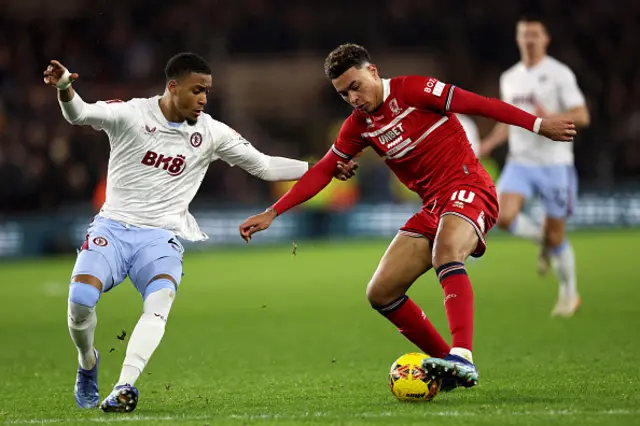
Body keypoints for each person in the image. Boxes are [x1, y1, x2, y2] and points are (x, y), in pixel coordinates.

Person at [238, 43, 576, 390]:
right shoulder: (358, 126)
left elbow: (481, 104)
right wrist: (273, 212)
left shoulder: (415, 89)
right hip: (433, 206)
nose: (352, 98)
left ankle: (463, 355)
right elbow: (324, 169)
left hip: (468, 186)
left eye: (355, 86)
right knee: (381, 292)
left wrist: (538, 125)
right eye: (343, 94)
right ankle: (451, 367)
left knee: (445, 253)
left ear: (372, 71)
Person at [43, 53, 357, 413]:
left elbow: (265, 166)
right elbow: (79, 113)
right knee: (81, 300)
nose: (204, 99)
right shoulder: (131, 114)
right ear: (173, 87)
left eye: (207, 91)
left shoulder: (211, 132)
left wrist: (322, 168)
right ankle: (87, 362)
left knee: (158, 304)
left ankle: (124, 386)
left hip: (162, 236)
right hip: (113, 227)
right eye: (197, 90)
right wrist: (66, 86)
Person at [480, 16, 590, 317]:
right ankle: (543, 241)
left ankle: (569, 294)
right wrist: (489, 144)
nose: (529, 39)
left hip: (555, 164)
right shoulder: (510, 77)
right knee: (501, 215)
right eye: (524, 34)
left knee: (557, 234)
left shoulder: (558, 73)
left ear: (545, 39)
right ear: (518, 39)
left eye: (535, 34)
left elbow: (582, 115)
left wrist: (552, 116)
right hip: (521, 162)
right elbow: (507, 119)